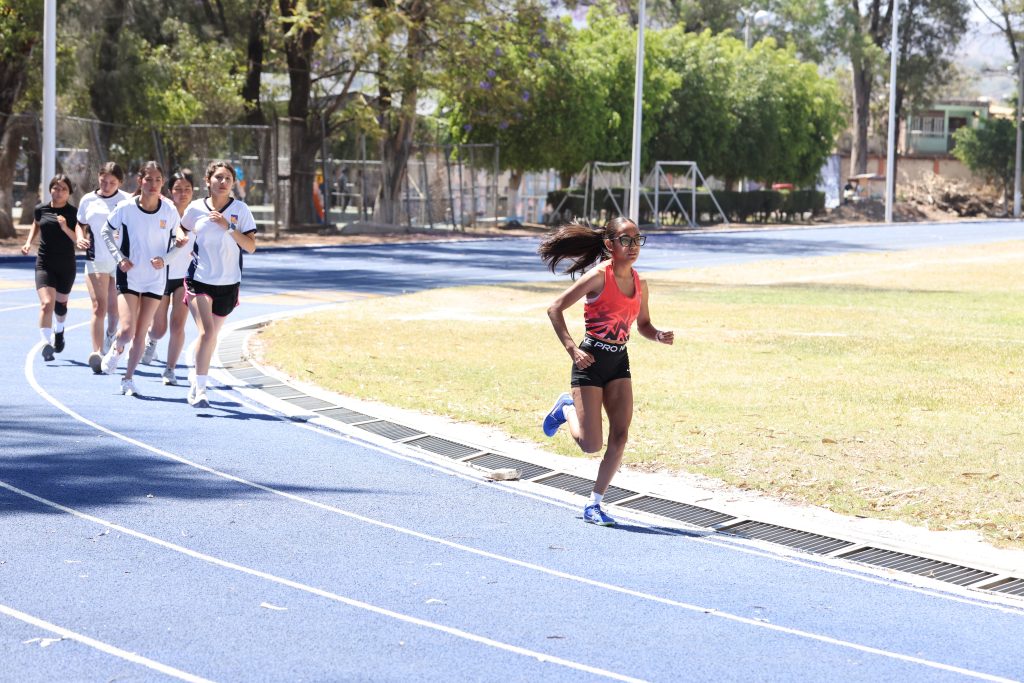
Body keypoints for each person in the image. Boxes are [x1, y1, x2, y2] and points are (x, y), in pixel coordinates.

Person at [538, 217, 674, 526]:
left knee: (621, 435)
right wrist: (572, 349)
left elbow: (643, 324)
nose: (633, 246)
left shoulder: (641, 283)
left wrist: (657, 335)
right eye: (625, 240)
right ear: (610, 245)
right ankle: (566, 408)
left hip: (618, 361)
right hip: (590, 361)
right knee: (591, 445)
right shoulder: (599, 277)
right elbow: (555, 308)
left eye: (637, 239)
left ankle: (594, 504)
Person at [98, 161, 184, 396]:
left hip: (155, 279)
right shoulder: (126, 208)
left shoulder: (169, 211)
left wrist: (165, 259)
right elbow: (106, 231)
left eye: (158, 180)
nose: (153, 184)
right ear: (140, 181)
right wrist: (119, 258)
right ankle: (117, 348)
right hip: (130, 276)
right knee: (127, 331)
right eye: (148, 179)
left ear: (162, 182)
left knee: (141, 333)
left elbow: (178, 243)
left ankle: (128, 379)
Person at [180, 161, 257, 408]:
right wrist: (180, 237)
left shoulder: (241, 210)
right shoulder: (195, 208)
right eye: (218, 178)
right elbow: (181, 229)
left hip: (228, 282)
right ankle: (201, 389)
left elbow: (250, 246)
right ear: (208, 181)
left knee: (211, 337)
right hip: (199, 279)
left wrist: (229, 227)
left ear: (232, 183)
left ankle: (196, 373)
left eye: (227, 179)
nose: (223, 182)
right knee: (207, 333)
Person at [140, 169, 194, 385]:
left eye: (187, 189)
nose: (183, 193)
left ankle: (170, 369)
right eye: (178, 189)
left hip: (185, 278)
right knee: (159, 329)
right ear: (170, 191)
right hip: (161, 276)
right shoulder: (163, 211)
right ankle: (151, 340)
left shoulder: (198, 213)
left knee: (178, 325)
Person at [21, 174, 83, 362]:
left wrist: (65, 227)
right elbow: (36, 224)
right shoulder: (41, 209)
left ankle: (59, 330)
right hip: (44, 263)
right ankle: (46, 344)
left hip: (66, 265)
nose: (59, 192)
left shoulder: (74, 213)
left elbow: (77, 240)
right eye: (56, 188)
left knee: (60, 307)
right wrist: (28, 242)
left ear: (69, 192)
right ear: (50, 189)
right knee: (47, 303)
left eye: (63, 189)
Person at [78, 162, 131, 372]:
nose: (107, 186)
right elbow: (80, 223)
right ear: (98, 179)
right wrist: (80, 237)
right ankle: (98, 353)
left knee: (113, 309)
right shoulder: (88, 200)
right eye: (103, 181)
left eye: (112, 182)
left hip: (120, 260)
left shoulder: (127, 200)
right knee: (98, 307)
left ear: (120, 182)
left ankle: (110, 334)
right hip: (96, 258)